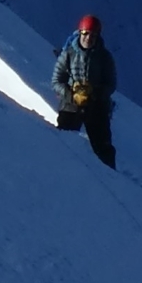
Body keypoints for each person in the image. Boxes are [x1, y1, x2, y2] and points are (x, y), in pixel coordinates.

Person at [51, 13, 118, 168]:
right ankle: (62, 167)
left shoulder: (105, 57)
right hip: (71, 103)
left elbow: (111, 83)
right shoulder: (68, 54)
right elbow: (56, 81)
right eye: (86, 34)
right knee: (65, 138)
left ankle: (110, 175)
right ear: (80, 33)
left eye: (93, 35)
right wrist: (71, 95)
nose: (89, 38)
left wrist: (94, 94)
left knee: (103, 146)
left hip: (97, 104)